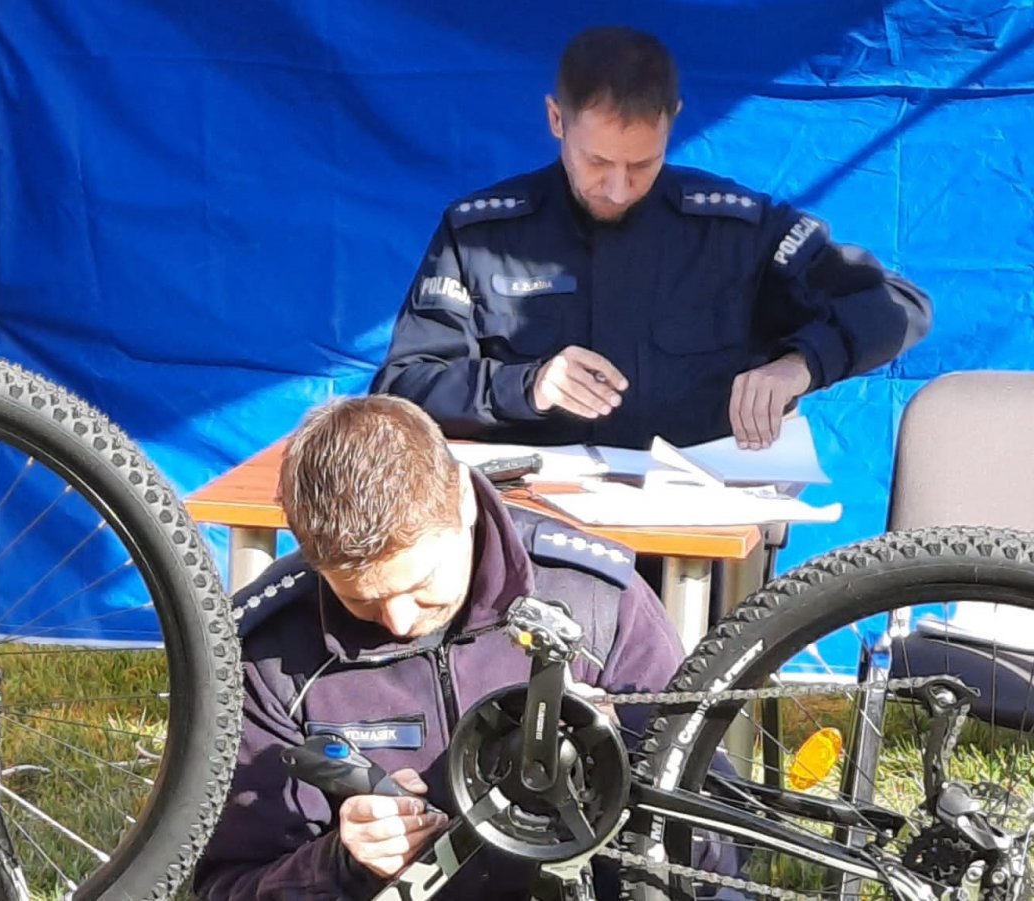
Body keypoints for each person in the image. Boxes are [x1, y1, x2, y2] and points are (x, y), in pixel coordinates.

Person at [194, 395, 696, 900]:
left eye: (421, 584)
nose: (399, 620)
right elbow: (225, 885)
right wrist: (343, 865)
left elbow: (718, 849)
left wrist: (618, 773)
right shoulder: (269, 655)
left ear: (462, 499)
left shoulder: (595, 602)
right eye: (360, 600)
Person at [370, 27, 932, 452]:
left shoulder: (735, 229)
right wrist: (527, 385)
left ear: (673, 122)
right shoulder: (480, 234)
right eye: (598, 162)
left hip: (695, 546)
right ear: (555, 120)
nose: (617, 188)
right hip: (528, 537)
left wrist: (799, 365)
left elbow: (898, 305)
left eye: (642, 163)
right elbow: (403, 387)